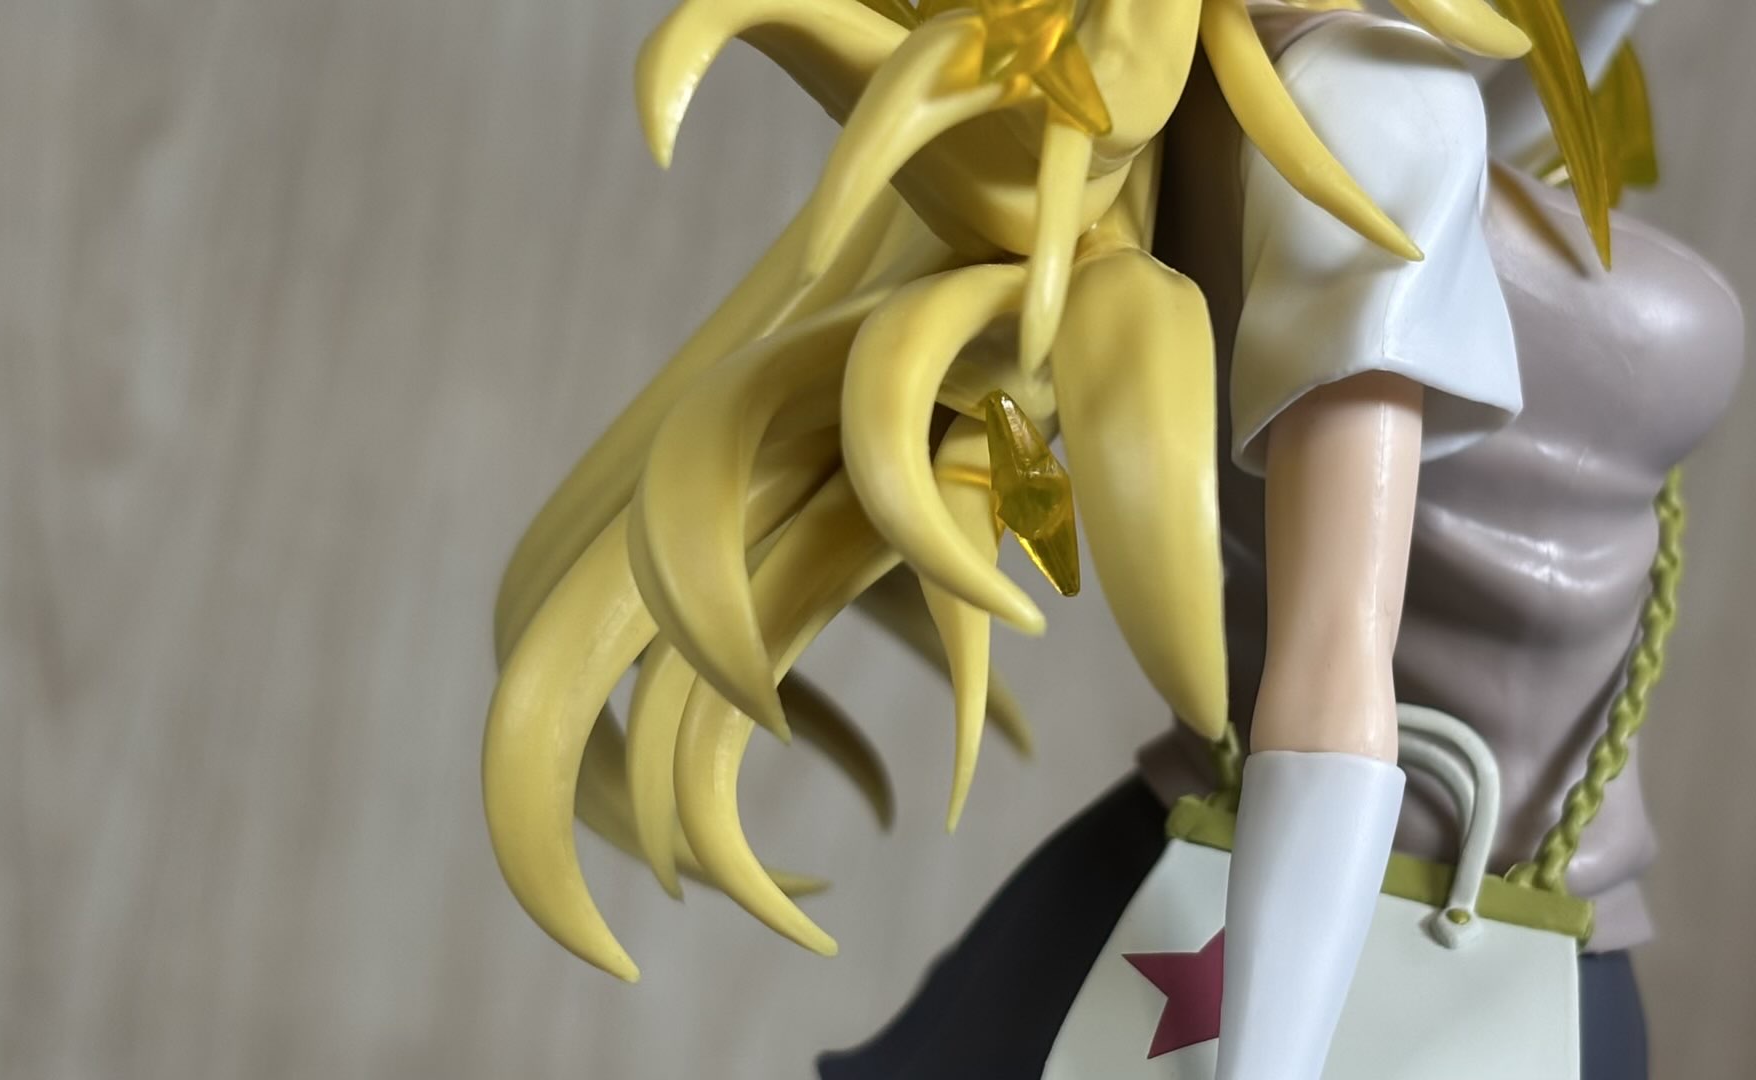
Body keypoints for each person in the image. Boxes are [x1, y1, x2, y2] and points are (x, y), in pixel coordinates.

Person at [483, 1, 1744, 1077]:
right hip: (1397, 936)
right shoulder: (1366, 121)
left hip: (1365, 904)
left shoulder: (1232, 99)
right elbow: (1330, 668)